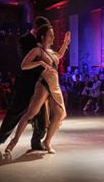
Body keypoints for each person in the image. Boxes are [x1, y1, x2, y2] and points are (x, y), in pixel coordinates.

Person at [0, 16, 50, 153]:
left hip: (41, 83)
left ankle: (36, 141)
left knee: (41, 115)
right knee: (14, 112)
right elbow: (26, 62)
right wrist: (42, 59)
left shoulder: (44, 43)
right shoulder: (24, 40)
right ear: (37, 28)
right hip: (26, 84)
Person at [5, 24, 71, 154]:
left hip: (55, 86)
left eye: (53, 35)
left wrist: (65, 43)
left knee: (58, 114)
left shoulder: (51, 52)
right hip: (44, 85)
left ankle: (47, 141)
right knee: (31, 113)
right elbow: (24, 65)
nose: (53, 38)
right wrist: (39, 63)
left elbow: (59, 55)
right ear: (43, 37)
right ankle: (14, 141)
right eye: (50, 35)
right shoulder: (37, 51)